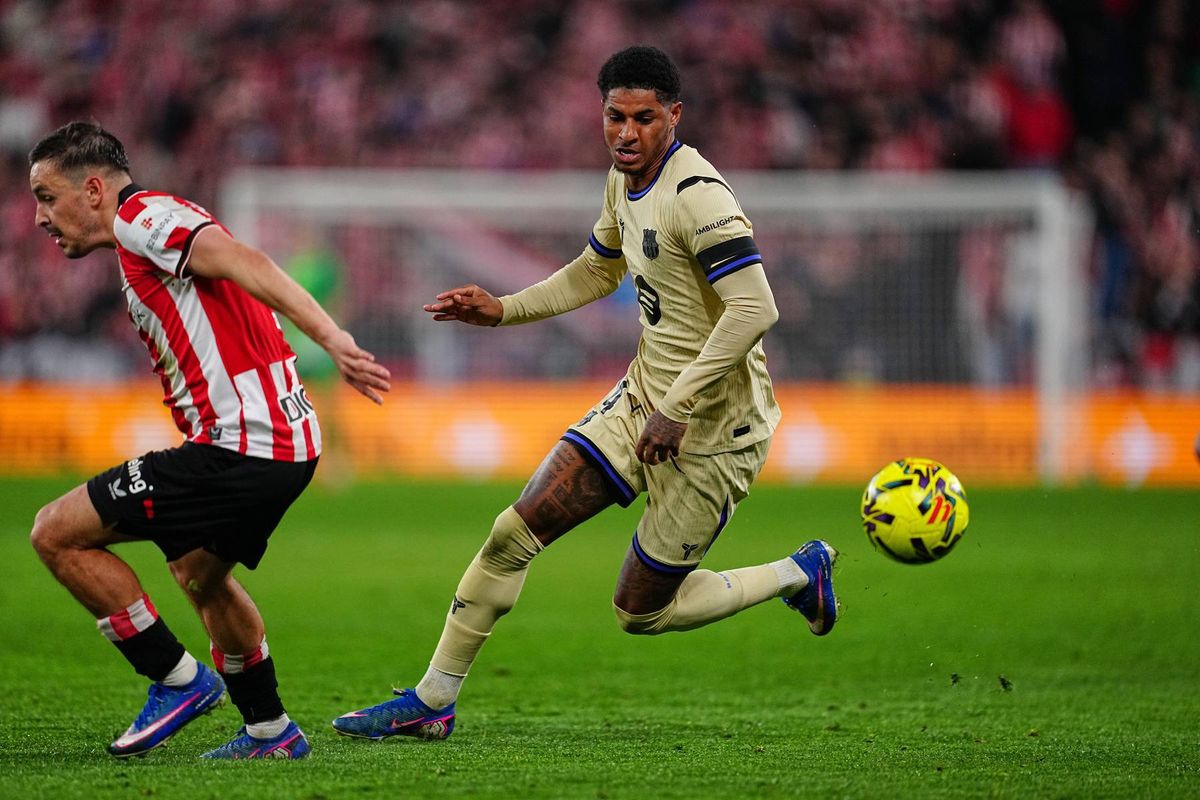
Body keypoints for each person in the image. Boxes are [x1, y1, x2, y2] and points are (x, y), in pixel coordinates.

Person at [332, 46, 838, 742]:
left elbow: (755, 309)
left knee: (640, 612)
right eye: (614, 117)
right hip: (642, 404)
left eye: (643, 118)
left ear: (674, 116)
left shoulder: (700, 196)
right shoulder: (621, 180)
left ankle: (795, 572)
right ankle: (432, 700)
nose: (626, 133)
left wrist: (679, 407)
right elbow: (597, 272)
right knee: (513, 534)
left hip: (715, 433)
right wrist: (503, 309)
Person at [27, 122, 391, 760]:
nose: (38, 217)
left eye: (46, 197)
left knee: (55, 532)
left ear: (92, 190)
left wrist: (333, 339)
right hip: (288, 443)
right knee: (199, 573)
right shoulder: (151, 229)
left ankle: (176, 680)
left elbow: (249, 261)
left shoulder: (143, 217)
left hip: (242, 444)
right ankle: (271, 733)